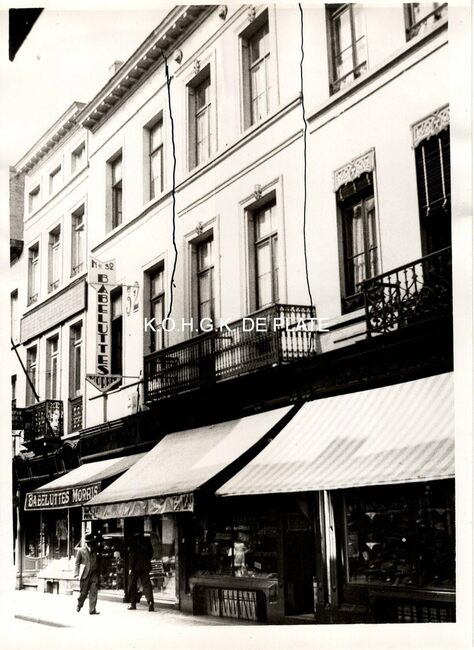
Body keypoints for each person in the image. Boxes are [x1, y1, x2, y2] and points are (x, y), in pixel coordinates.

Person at [127, 532, 154, 612]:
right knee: (147, 584)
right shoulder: (146, 540)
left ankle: (133, 604)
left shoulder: (133, 541)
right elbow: (151, 552)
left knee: (133, 585)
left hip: (135, 567)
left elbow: (132, 555)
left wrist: (130, 567)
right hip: (145, 566)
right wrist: (146, 560)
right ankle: (150, 602)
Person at [74, 532, 101, 615]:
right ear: (87, 543)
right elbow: (77, 563)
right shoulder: (81, 551)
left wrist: (99, 572)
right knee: (83, 593)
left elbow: (99, 561)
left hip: (94, 575)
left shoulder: (95, 550)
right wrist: (76, 574)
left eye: (92, 542)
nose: (91, 544)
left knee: (93, 591)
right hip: (84, 575)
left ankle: (92, 609)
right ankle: (79, 604)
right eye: (90, 543)